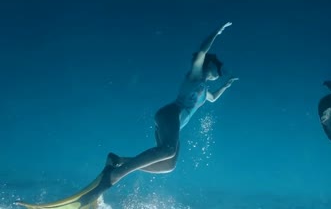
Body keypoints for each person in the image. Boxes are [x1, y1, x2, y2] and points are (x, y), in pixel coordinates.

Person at [15, 22, 239, 209]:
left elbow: (213, 98)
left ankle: (118, 161)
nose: (217, 71)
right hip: (170, 114)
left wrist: (226, 87)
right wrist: (217, 32)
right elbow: (201, 51)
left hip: (176, 124)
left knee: (168, 165)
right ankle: (112, 178)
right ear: (209, 64)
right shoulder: (195, 75)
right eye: (216, 66)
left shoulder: (205, 91)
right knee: (168, 150)